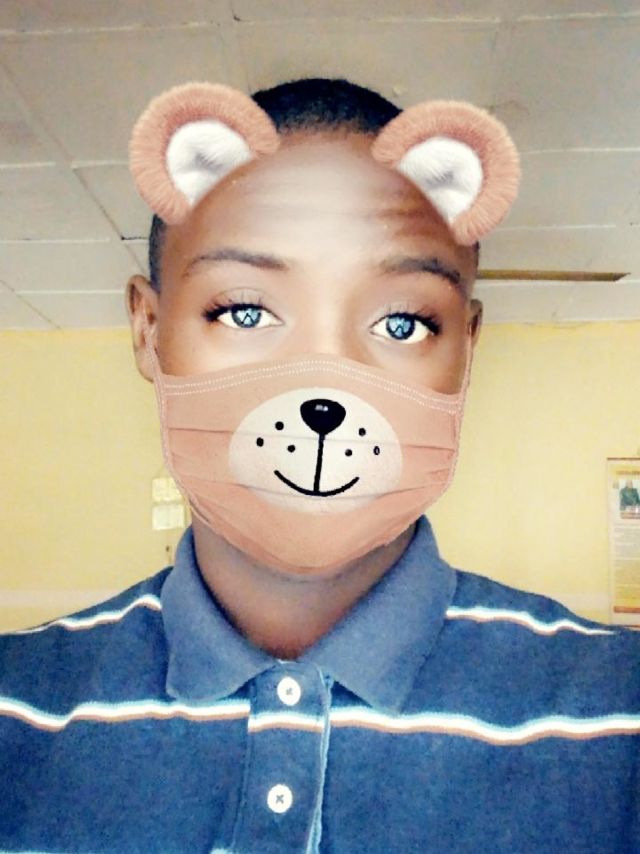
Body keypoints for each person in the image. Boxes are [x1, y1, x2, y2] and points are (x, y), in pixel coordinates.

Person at [0, 77, 638, 854]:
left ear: (465, 351)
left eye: (401, 322)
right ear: (148, 330)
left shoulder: (618, 715)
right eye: (245, 311)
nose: (325, 384)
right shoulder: (17, 709)